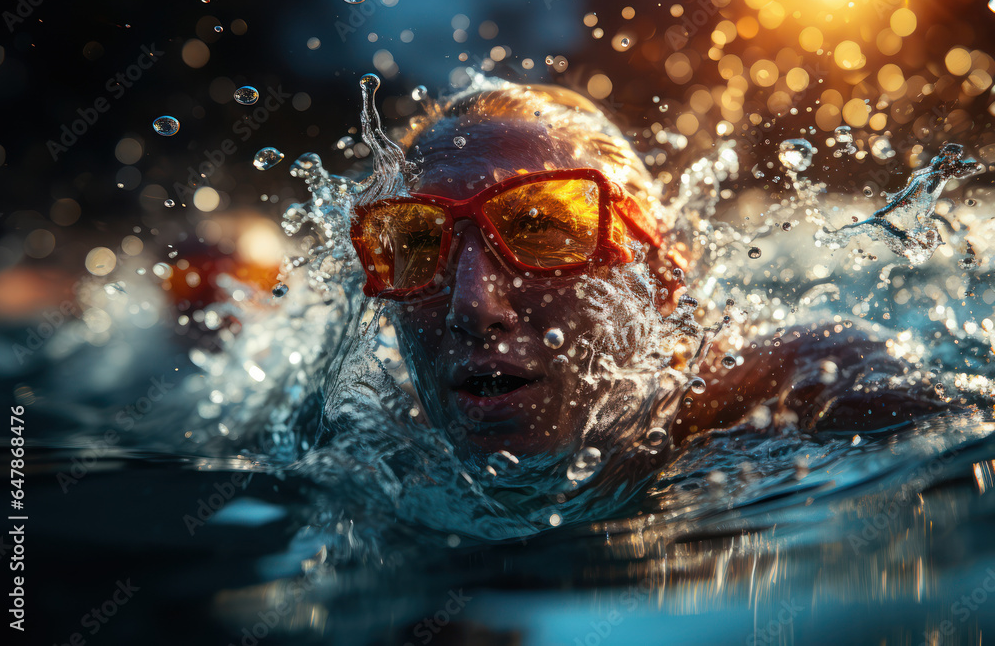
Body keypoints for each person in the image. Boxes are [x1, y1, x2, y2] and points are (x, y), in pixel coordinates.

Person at [344, 80, 948, 488]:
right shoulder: (368, 450)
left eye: (541, 229)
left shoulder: (804, 388)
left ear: (663, 274)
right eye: (418, 243)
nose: (473, 305)